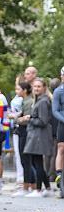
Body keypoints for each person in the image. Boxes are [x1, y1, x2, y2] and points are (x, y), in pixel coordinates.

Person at [24, 78, 53, 197]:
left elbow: (43, 121)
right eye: (35, 86)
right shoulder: (38, 100)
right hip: (35, 135)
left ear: (44, 88)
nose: (36, 88)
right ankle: (47, 188)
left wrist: (29, 119)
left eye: (39, 86)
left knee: (38, 163)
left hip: (39, 136)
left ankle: (38, 189)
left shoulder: (43, 102)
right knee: (37, 162)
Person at [11, 82, 34, 196]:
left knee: (26, 160)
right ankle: (30, 185)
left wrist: (18, 119)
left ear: (24, 90)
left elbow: (28, 119)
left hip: (25, 132)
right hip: (22, 132)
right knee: (24, 160)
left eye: (18, 89)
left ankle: (28, 186)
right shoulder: (24, 101)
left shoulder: (28, 101)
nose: (16, 91)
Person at [52, 66, 64, 194]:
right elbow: (55, 110)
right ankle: (59, 174)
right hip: (62, 123)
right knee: (61, 147)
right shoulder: (58, 91)